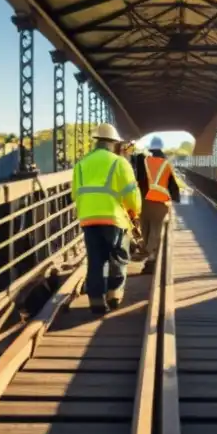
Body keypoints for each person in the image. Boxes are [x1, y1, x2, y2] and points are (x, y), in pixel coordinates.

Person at [71, 123, 142, 315]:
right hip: (113, 218)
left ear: (97, 141)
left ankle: (95, 299)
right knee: (118, 256)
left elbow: (74, 194)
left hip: (88, 218)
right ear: (113, 143)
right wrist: (135, 212)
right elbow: (131, 194)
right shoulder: (119, 163)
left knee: (95, 259)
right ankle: (114, 294)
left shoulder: (81, 164)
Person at [137, 135, 181, 273]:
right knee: (156, 231)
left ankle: (148, 254)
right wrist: (176, 198)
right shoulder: (166, 164)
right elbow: (172, 185)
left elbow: (139, 179)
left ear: (151, 149)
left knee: (146, 229)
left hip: (144, 201)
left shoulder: (144, 162)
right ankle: (151, 258)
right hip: (160, 202)